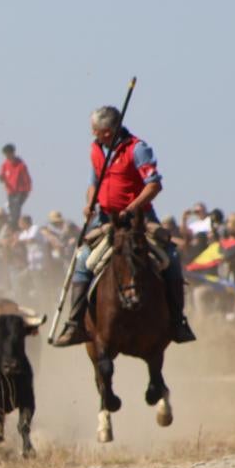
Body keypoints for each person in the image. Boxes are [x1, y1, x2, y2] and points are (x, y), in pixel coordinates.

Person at [53, 105, 196, 347]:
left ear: (108, 131)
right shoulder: (96, 149)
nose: (92, 134)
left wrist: (131, 209)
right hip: (105, 219)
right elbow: (93, 182)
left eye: (95, 130)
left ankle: (177, 322)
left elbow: (154, 185)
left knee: (170, 258)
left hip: (139, 218)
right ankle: (75, 324)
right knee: (83, 259)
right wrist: (90, 203)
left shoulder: (138, 149)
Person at [0, 143, 33, 224]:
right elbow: (2, 177)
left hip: (20, 191)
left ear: (13, 153)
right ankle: (13, 224)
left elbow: (27, 178)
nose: (7, 156)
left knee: (16, 208)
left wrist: (27, 191)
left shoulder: (21, 165)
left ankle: (14, 225)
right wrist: (0, 178)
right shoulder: (5, 164)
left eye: (8, 154)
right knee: (11, 207)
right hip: (10, 191)